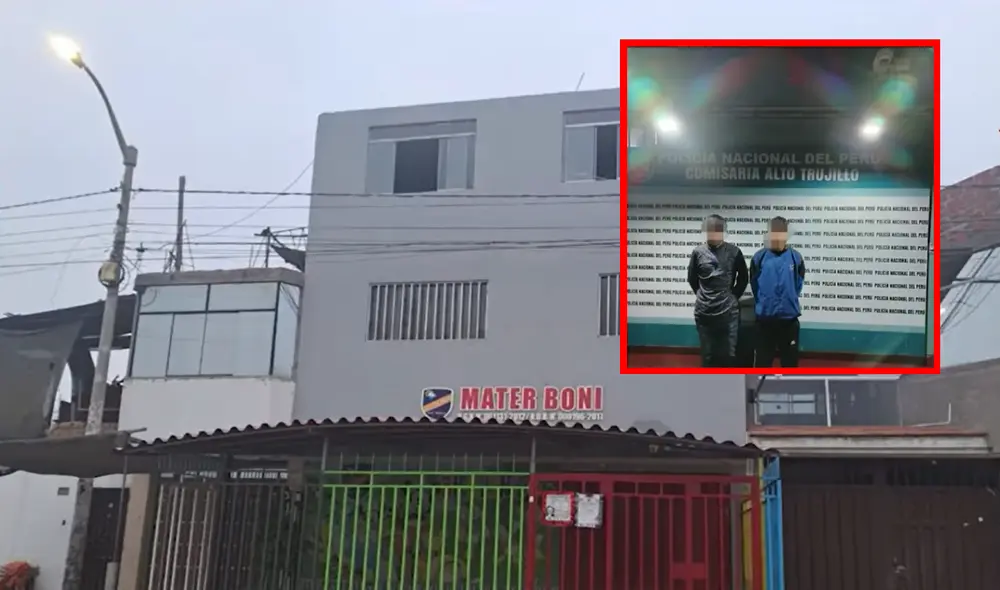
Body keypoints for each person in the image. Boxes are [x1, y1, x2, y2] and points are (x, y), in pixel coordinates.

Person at [687, 214, 749, 367]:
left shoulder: (734, 252)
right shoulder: (698, 252)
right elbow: (692, 279)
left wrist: (732, 297)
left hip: (728, 314)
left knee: (729, 356)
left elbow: (743, 278)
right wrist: (704, 296)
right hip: (704, 314)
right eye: (710, 230)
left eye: (717, 230)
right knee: (708, 357)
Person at [750, 216, 806, 368]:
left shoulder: (796, 258)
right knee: (762, 365)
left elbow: (798, 285)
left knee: (790, 366)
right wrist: (766, 303)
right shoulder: (759, 258)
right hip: (765, 323)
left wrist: (787, 301)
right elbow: (755, 285)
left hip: (789, 322)